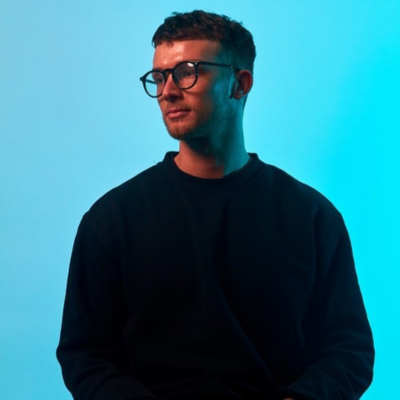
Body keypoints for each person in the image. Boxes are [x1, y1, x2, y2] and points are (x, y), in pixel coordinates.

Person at [56, 10, 374, 400]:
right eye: (159, 76)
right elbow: (85, 355)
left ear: (239, 84)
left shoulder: (311, 217)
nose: (168, 91)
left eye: (187, 72)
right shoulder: (111, 219)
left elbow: (348, 352)